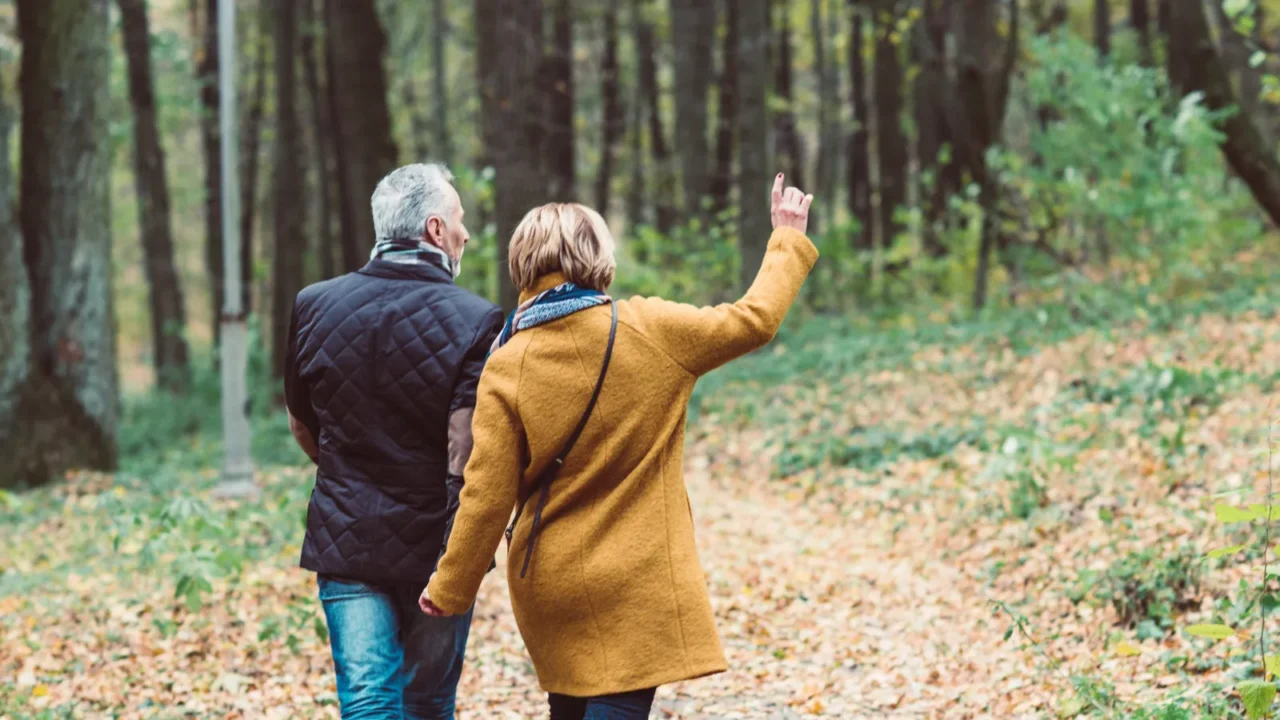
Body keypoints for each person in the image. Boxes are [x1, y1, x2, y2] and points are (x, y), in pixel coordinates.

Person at [420, 174, 818, 719]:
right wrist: (786, 240)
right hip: (638, 585)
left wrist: (450, 587)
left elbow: (485, 496)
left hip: (551, 586)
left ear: (523, 263)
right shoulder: (651, 329)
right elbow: (754, 320)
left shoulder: (506, 362)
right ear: (597, 257)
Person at [284, 163, 504, 719]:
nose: (466, 233)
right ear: (434, 230)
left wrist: (347, 469)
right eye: (458, 219)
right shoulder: (478, 321)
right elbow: (467, 450)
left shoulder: (313, 304)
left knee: (367, 703)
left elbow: (303, 421)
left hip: (346, 532)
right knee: (428, 703)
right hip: (438, 544)